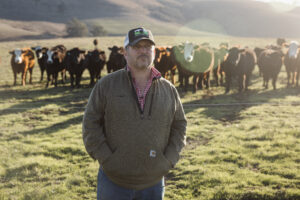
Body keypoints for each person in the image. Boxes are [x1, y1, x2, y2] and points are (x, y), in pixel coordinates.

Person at [82, 27, 187, 200]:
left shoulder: (168, 89)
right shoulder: (106, 85)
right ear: (125, 53)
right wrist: (108, 159)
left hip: (153, 182)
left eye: (148, 47)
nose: (143, 51)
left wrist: (169, 160)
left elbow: (179, 125)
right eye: (137, 47)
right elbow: (90, 123)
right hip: (114, 181)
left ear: (154, 52)